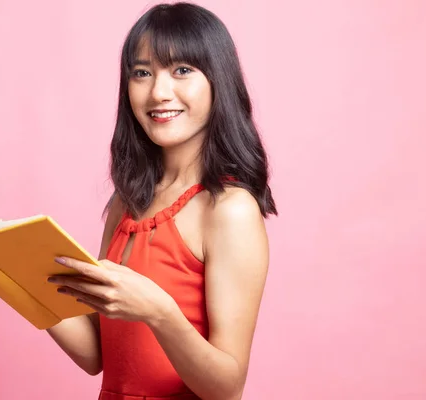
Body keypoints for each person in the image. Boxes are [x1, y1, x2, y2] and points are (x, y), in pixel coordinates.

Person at [45, 2, 277, 399]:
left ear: (218, 80)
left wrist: (160, 312)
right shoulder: (127, 201)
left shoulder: (230, 210)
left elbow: (227, 389)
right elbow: (95, 354)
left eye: (182, 70)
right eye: (142, 73)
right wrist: (13, 277)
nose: (158, 92)